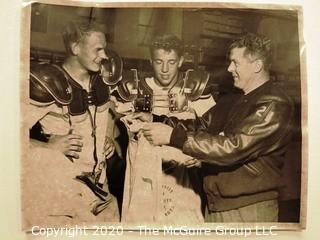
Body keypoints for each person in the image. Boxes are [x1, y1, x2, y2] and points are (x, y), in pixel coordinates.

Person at [132, 32, 294, 222]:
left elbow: (232, 147)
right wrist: (156, 119)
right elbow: (200, 125)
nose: (229, 68)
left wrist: (172, 137)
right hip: (218, 204)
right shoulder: (235, 98)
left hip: (248, 209)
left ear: (257, 65)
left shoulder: (274, 103)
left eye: (235, 62)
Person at [22, 21, 122, 229]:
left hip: (101, 185)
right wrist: (47, 147)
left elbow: (111, 115)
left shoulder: (103, 81)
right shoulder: (47, 83)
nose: (104, 56)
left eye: (105, 49)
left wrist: (109, 136)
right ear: (75, 48)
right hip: (63, 189)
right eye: (98, 49)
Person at [116, 34, 215, 223]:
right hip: (142, 173)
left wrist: (201, 157)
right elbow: (112, 118)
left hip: (181, 173)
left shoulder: (193, 90)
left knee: (183, 223)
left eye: (171, 62)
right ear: (151, 60)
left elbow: (213, 128)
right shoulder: (135, 89)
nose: (164, 69)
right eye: (159, 62)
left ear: (180, 61)